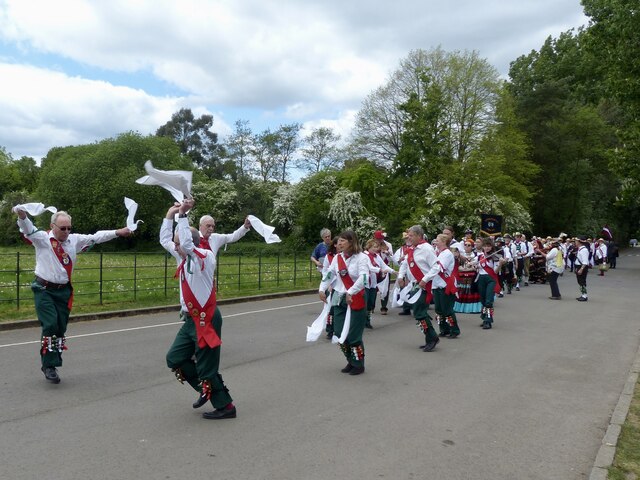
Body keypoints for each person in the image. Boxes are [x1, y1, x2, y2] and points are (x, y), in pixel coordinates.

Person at [14, 207, 131, 383]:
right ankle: (49, 365)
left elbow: (96, 236)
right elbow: (28, 228)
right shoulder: (43, 239)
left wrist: (118, 232)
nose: (67, 232)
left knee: (60, 329)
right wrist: (22, 215)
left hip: (63, 291)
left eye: (69, 228)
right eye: (63, 228)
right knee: (51, 325)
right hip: (44, 289)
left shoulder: (73, 241)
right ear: (52, 226)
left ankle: (52, 362)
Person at [161, 199, 240, 420]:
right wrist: (171, 213)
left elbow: (184, 244)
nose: (174, 248)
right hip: (190, 320)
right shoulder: (184, 256)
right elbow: (165, 239)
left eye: (178, 244)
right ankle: (206, 389)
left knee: (207, 368)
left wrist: (184, 215)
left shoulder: (204, 257)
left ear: (189, 242)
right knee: (174, 358)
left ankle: (226, 406)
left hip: (206, 319)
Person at [319, 230, 369, 375]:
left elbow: (363, 277)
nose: (338, 243)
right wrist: (322, 289)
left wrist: (351, 291)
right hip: (339, 297)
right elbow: (330, 274)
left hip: (355, 297)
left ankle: (358, 364)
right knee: (339, 332)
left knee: (354, 335)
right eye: (338, 241)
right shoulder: (337, 258)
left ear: (351, 242)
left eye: (342, 241)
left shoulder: (361, 258)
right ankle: (350, 360)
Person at [397, 225, 440, 352]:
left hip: (424, 285)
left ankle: (432, 338)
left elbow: (436, 267)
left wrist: (424, 280)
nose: (408, 238)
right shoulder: (411, 249)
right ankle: (430, 338)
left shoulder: (427, 249)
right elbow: (405, 263)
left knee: (419, 312)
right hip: (415, 284)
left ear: (419, 236)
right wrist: (400, 276)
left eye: (411, 235)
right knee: (419, 312)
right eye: (408, 235)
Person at [428, 234, 461, 338]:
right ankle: (443, 329)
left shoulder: (447, 254)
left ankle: (454, 330)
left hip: (446, 285)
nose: (435, 242)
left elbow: (439, 267)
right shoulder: (438, 253)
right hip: (437, 284)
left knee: (447, 310)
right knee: (438, 310)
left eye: (437, 240)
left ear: (443, 242)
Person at [363, 238, 396, 329]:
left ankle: (368, 320)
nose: (376, 249)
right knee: (365, 302)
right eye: (374, 247)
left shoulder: (377, 256)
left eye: (377, 247)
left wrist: (393, 271)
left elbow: (384, 265)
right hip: (365, 282)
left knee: (370, 303)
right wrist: (380, 270)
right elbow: (369, 267)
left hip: (373, 282)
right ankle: (363, 321)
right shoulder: (364, 256)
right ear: (368, 247)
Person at [477, 237, 505, 329]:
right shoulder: (479, 256)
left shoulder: (494, 256)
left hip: (490, 279)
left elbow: (496, 271)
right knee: (483, 300)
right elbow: (477, 268)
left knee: (488, 301)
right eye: (485, 246)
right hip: (481, 279)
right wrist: (472, 265)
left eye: (489, 246)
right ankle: (485, 317)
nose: (487, 248)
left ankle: (488, 321)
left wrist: (500, 264)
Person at [454, 239, 482, 314]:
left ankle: (472, 309)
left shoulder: (476, 255)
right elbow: (458, 267)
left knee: (471, 292)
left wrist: (467, 268)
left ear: (472, 247)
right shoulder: (460, 255)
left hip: (472, 277)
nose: (466, 246)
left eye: (469, 245)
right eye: (465, 245)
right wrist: (465, 269)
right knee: (462, 292)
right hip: (462, 277)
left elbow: (476, 267)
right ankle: (460, 308)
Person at [320, 236, 339, 338]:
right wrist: (327, 285)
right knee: (330, 309)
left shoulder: (347, 256)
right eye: (338, 243)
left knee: (338, 308)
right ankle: (330, 330)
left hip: (341, 286)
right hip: (331, 285)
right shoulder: (329, 256)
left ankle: (339, 329)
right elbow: (326, 272)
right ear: (335, 245)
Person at [374, 230, 395, 315]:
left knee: (385, 288)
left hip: (386, 267)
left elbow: (391, 259)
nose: (380, 240)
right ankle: (371, 306)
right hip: (375, 268)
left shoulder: (388, 245)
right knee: (373, 288)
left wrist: (387, 253)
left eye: (381, 238)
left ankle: (384, 307)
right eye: (378, 239)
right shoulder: (372, 245)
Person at [574, 236, 590, 302]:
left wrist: (581, 269)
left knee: (582, 282)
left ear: (580, 242)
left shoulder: (584, 250)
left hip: (581, 267)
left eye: (576, 241)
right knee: (580, 282)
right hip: (579, 266)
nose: (575, 242)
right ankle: (583, 294)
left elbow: (585, 261)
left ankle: (584, 296)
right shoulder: (580, 249)